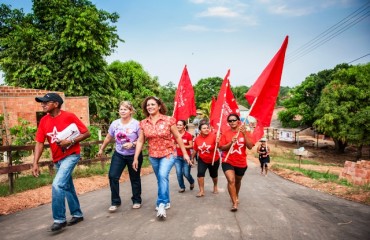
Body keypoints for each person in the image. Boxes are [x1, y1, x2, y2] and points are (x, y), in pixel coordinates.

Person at [32, 93, 91, 232]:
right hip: (57, 158)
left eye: (46, 102)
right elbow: (39, 143)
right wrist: (35, 162)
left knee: (57, 184)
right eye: (42, 103)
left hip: (71, 154)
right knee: (67, 186)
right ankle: (77, 214)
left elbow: (86, 133)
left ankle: (59, 219)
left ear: (56, 104)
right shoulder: (43, 121)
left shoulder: (69, 116)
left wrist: (69, 141)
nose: (43, 104)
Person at [132, 96, 191, 219]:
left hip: (168, 153)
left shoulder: (169, 120)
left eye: (153, 104)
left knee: (163, 176)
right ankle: (167, 200)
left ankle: (161, 204)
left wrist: (185, 153)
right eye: (148, 105)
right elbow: (140, 141)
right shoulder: (143, 123)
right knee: (161, 179)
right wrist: (135, 158)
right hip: (153, 155)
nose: (150, 107)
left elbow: (178, 137)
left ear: (159, 106)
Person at [97, 101, 143, 212]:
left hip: (133, 155)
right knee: (113, 176)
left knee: (134, 178)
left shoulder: (137, 124)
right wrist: (101, 149)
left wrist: (132, 144)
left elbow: (141, 140)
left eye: (125, 109)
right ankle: (115, 202)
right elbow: (108, 138)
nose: (122, 111)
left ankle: (136, 200)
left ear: (130, 111)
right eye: (121, 109)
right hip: (119, 154)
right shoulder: (115, 124)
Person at [218, 113, 254, 212]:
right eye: (230, 121)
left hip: (241, 162)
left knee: (237, 181)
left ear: (238, 121)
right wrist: (230, 143)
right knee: (231, 180)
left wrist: (245, 134)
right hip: (227, 160)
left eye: (234, 120)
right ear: (228, 123)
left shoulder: (244, 131)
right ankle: (234, 203)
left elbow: (250, 146)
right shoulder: (225, 133)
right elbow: (221, 147)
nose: (232, 122)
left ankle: (236, 195)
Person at [191, 121, 220, 198]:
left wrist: (218, 142)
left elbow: (220, 147)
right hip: (202, 159)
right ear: (200, 130)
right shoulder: (197, 139)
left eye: (207, 128)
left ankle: (215, 186)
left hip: (214, 159)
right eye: (204, 128)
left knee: (213, 175)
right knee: (200, 174)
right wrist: (192, 158)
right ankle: (201, 191)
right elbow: (195, 150)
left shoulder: (214, 136)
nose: (207, 129)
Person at [173, 120, 195, 193]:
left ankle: (192, 181)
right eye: (177, 125)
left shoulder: (188, 135)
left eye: (180, 125)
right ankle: (182, 187)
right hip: (177, 157)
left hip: (186, 157)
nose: (178, 126)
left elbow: (191, 146)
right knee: (179, 173)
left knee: (186, 173)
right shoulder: (174, 135)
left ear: (184, 126)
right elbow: (172, 144)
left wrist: (182, 146)